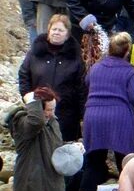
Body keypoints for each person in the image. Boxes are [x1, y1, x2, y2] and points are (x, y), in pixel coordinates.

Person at [78, 32, 134, 191]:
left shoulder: (96, 67)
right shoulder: (128, 70)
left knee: (93, 161)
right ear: (127, 51)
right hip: (119, 118)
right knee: (125, 162)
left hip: (94, 116)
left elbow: (87, 83)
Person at [18, 14, 85, 142]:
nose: (56, 33)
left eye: (61, 30)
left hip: (66, 114)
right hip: (38, 111)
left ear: (67, 34)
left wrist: (82, 114)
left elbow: (81, 86)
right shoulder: (35, 52)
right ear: (48, 31)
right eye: (54, 29)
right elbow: (24, 75)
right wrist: (28, 97)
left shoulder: (75, 57)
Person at [9, 87, 66, 191]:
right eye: (48, 109)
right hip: (32, 182)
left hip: (52, 181)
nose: (51, 113)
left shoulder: (52, 121)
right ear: (38, 108)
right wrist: (32, 101)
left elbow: (56, 145)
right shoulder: (22, 121)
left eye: (53, 109)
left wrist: (73, 148)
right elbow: (36, 122)